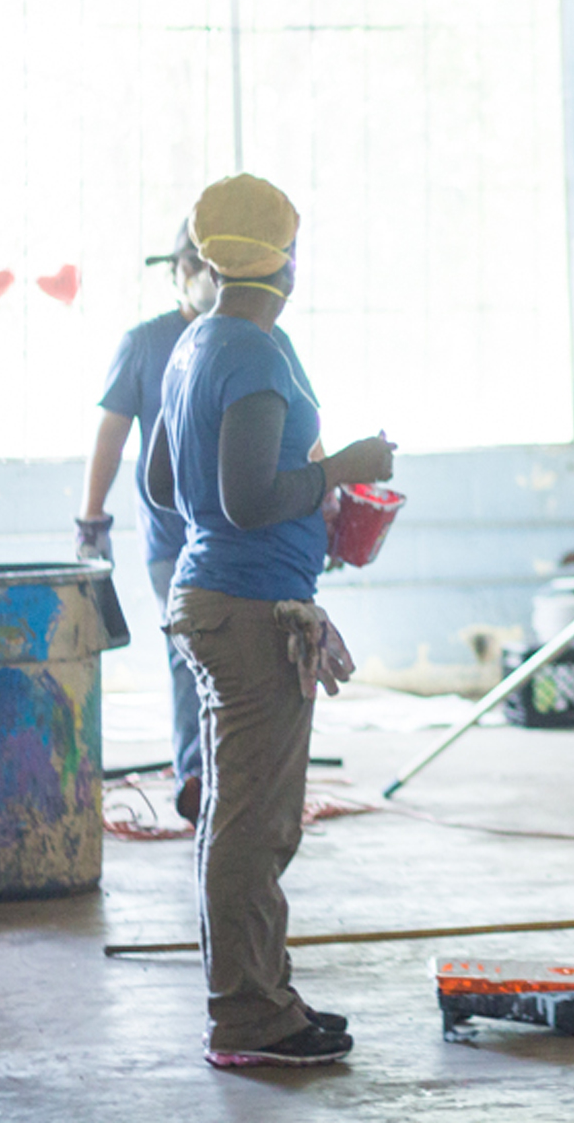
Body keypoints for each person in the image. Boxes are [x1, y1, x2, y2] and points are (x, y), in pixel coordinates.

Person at [143, 174, 395, 1068]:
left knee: (236, 816)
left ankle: (261, 998)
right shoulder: (254, 352)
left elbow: (163, 488)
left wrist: (293, 505)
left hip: (213, 598)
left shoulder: (192, 343)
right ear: (289, 255)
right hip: (250, 609)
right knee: (256, 825)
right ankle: (248, 1018)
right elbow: (249, 500)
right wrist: (344, 469)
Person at [78, 220, 298, 826]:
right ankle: (200, 774)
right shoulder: (152, 345)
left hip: (250, 543)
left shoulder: (263, 340)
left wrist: (319, 503)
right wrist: (91, 516)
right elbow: (114, 435)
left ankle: (240, 783)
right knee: (191, 655)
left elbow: (296, 429)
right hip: (179, 539)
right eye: (194, 264)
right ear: (178, 270)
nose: (206, 276)